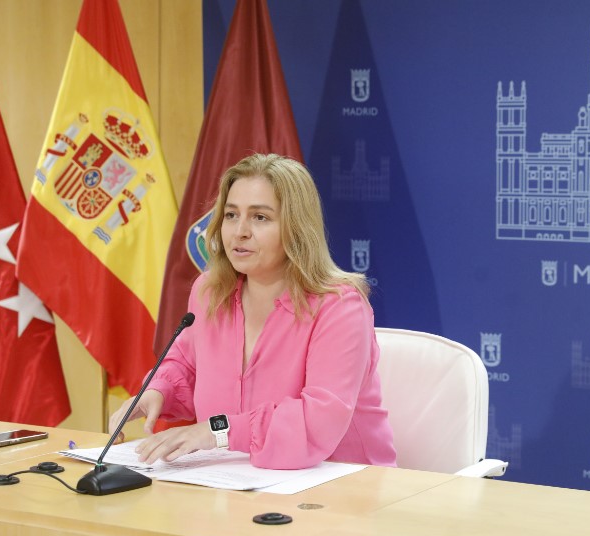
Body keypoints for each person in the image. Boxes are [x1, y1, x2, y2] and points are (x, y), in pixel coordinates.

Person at [109, 153, 397, 470]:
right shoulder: (209, 292)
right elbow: (187, 366)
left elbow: (319, 422)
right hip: (238, 481)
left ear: (296, 228)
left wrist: (216, 430)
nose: (240, 231)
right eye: (231, 215)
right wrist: (157, 391)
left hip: (345, 487)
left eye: (260, 217)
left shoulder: (339, 307)